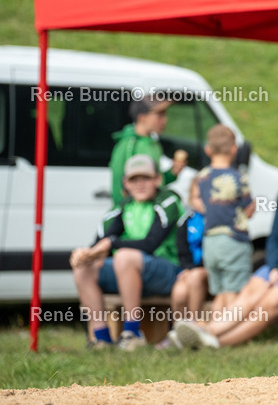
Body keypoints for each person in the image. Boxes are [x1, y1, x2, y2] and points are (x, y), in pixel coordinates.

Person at [175, 138, 278, 349]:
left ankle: (214, 342)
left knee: (266, 305)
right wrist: (273, 267)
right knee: (249, 293)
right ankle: (207, 331)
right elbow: (274, 237)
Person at [71, 154, 184, 350]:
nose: (140, 184)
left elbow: (150, 243)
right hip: (129, 271)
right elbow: (101, 241)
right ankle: (101, 338)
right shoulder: (122, 206)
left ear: (157, 179)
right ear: (126, 184)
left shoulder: (168, 201)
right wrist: (85, 254)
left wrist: (111, 244)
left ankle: (132, 332)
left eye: (146, 178)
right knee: (85, 267)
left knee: (124, 256)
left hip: (169, 271)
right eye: (134, 179)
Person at [193, 124, 254, 309]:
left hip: (210, 242)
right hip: (233, 239)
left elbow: (197, 203)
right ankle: (226, 333)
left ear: (208, 150)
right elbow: (248, 210)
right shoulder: (238, 177)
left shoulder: (202, 177)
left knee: (220, 293)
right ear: (234, 149)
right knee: (233, 292)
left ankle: (210, 331)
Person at [108, 94, 186, 207]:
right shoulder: (128, 145)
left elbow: (154, 183)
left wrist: (172, 173)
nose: (165, 120)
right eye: (160, 114)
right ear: (142, 118)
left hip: (151, 213)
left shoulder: (153, 143)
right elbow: (120, 188)